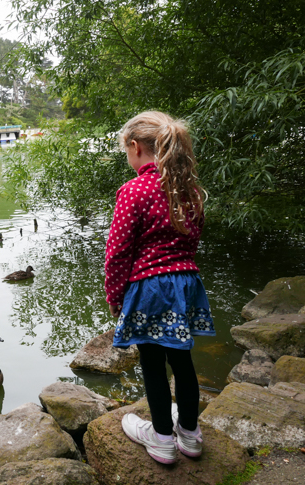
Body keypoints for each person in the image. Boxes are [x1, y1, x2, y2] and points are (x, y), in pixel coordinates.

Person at [105, 110, 215, 464]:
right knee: (182, 360)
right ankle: (191, 435)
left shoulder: (134, 190)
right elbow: (191, 242)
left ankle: (162, 439)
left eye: (127, 150)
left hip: (150, 288)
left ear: (135, 147)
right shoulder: (190, 190)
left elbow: (118, 253)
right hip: (186, 283)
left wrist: (116, 297)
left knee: (152, 363)